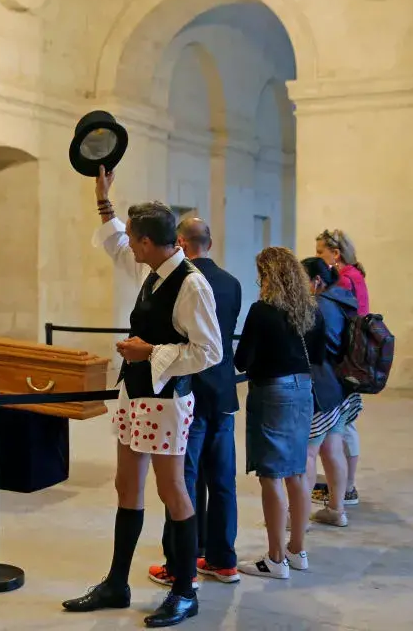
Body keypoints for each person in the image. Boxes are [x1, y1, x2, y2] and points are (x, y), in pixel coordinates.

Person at [63, 166, 222, 628]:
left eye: (135, 240)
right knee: (126, 485)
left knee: (172, 490)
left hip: (167, 400)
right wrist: (103, 200)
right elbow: (116, 243)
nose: (129, 246)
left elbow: (210, 351)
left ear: (149, 242)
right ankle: (117, 583)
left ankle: (185, 591)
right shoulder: (153, 270)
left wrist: (149, 350)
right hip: (135, 394)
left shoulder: (191, 283)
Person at [148, 218, 242, 589]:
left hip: (190, 390)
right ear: (211, 243)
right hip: (223, 392)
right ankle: (223, 560)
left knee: (181, 482)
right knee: (222, 481)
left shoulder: (182, 281)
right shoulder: (232, 283)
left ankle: (180, 563)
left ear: (181, 243)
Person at [233, 247, 322, 579]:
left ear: (268, 276)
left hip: (273, 392)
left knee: (270, 475)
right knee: (296, 473)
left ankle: (275, 558)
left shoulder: (262, 311)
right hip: (303, 390)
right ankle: (297, 551)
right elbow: (318, 353)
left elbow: (242, 360)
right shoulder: (309, 310)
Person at [301, 257, 363, 528]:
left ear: (316, 280)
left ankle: (298, 517)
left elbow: (312, 350)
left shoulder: (318, 306)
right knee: (333, 448)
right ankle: (337, 509)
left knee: (308, 453)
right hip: (342, 386)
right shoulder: (344, 300)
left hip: (322, 387)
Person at [313, 229, 369, 505]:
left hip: (344, 361)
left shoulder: (344, 280)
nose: (317, 258)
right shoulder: (354, 274)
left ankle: (346, 488)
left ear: (335, 254)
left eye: (320, 252)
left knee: (343, 427)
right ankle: (345, 486)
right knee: (345, 425)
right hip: (352, 358)